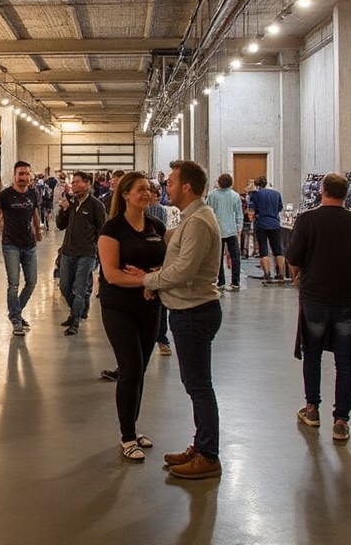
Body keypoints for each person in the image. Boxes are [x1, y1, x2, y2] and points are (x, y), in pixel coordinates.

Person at [129, 159, 222, 480]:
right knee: (194, 384)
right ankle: (201, 444)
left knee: (199, 386)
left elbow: (185, 270)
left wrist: (148, 280)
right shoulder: (191, 218)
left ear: (186, 187)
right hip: (187, 309)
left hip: (194, 311)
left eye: (169, 182)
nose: (163, 188)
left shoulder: (197, 222)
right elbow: (179, 261)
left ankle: (209, 455)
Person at [286, 173, 351, 442]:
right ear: (346, 193)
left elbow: (294, 257)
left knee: (312, 354)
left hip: (315, 298)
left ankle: (312, 408)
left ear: (322, 190)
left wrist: (297, 277)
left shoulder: (307, 220)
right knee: (344, 361)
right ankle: (341, 420)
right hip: (347, 299)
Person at [96, 172, 167, 461]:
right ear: (125, 194)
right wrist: (146, 282)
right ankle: (127, 437)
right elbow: (111, 275)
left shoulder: (156, 226)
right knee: (131, 369)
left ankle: (133, 428)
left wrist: (152, 278)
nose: (147, 193)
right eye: (140, 189)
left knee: (142, 369)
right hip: (119, 307)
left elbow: (168, 263)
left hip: (151, 306)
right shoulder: (112, 229)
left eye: (149, 189)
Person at [0, 160, 41, 337]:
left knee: (32, 282)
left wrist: (38, 232)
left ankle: (15, 312)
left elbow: (35, 213)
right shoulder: (4, 195)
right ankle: (16, 320)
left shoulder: (33, 194)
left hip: (29, 245)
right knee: (14, 284)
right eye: (20, 174)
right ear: (14, 175)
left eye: (27, 174)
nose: (24, 178)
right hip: (11, 245)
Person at [55, 170, 106, 336]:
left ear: (88, 184)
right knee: (64, 287)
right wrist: (63, 210)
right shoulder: (72, 203)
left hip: (86, 253)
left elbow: (102, 230)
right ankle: (79, 309)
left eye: (78, 182)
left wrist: (98, 252)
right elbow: (61, 225)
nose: (75, 185)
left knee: (79, 288)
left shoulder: (96, 205)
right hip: (68, 251)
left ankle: (75, 321)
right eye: (73, 182)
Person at [144, 180, 172, 356]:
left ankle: (162, 339)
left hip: (155, 263)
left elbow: (160, 236)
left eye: (149, 192)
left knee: (159, 305)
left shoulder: (158, 211)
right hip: (141, 264)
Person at [206, 173, 244, 292]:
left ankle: (221, 281)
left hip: (217, 230)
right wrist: (239, 227)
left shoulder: (212, 195)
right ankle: (235, 281)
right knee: (235, 257)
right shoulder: (235, 196)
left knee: (218, 257)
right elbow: (239, 213)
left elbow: (208, 211)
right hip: (232, 230)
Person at [248, 175, 285, 282]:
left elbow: (251, 210)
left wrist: (252, 217)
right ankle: (281, 274)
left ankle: (267, 274)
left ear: (256, 184)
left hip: (261, 224)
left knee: (263, 250)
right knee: (278, 250)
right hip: (275, 223)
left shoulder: (255, 194)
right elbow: (279, 208)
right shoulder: (276, 194)